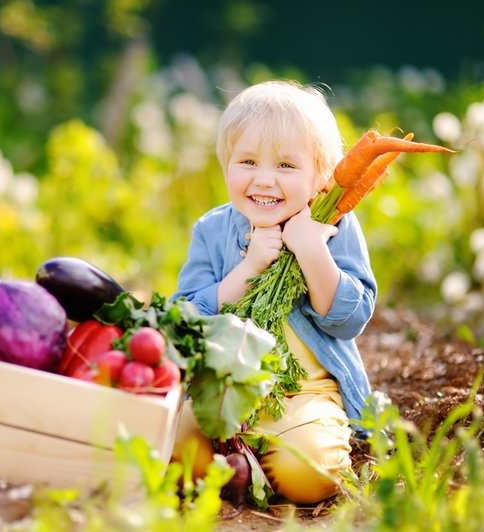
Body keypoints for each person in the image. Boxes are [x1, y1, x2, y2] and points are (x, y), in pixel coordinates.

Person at [170, 80, 377, 504]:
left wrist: (312, 249)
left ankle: (258, 466)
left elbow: (350, 320)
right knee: (170, 446)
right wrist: (248, 269)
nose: (264, 180)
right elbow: (184, 321)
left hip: (304, 395)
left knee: (309, 472)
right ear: (226, 166)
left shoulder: (334, 225)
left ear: (320, 176)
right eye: (247, 161)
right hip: (222, 393)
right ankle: (240, 464)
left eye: (285, 165)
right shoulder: (212, 230)